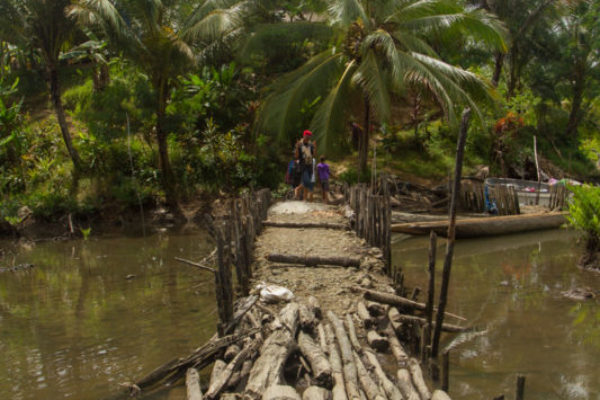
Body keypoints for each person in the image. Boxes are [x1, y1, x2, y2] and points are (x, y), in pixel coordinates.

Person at [294, 130, 316, 201]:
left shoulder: (311, 145)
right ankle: (308, 191)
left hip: (310, 165)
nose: (308, 137)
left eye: (309, 136)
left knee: (306, 182)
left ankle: (304, 198)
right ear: (304, 136)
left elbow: (314, 155)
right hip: (303, 165)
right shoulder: (300, 144)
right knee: (306, 181)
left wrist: (315, 148)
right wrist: (297, 148)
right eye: (307, 136)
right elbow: (296, 156)